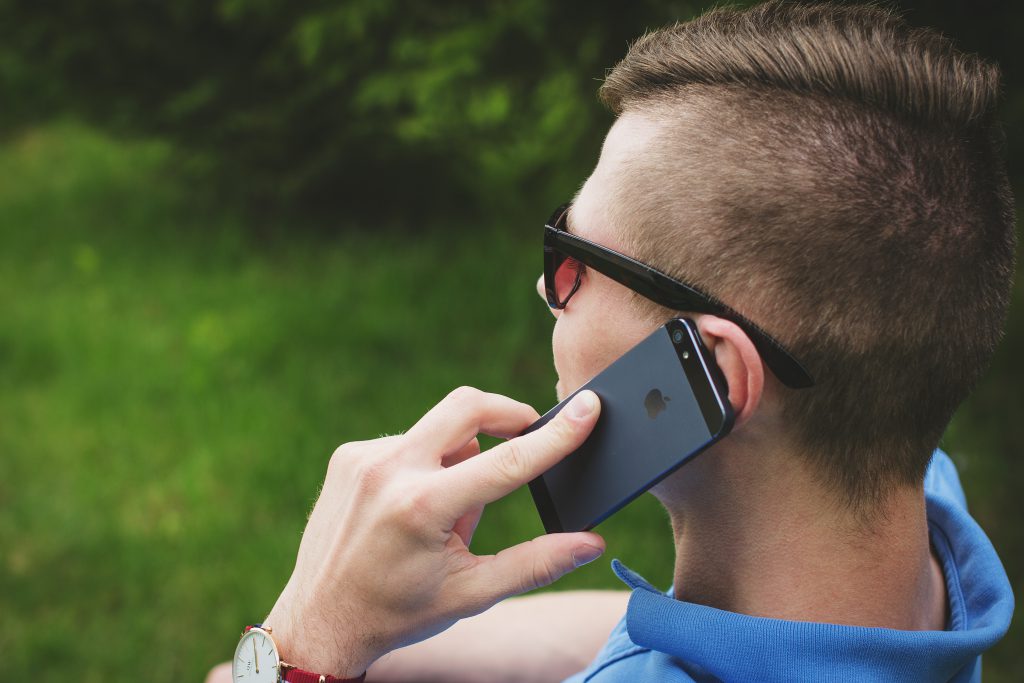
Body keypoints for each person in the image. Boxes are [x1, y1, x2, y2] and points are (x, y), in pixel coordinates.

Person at [208, 2, 1015, 681]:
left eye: (573, 261)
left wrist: (303, 640)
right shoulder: (922, 521)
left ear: (717, 373)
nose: (542, 287)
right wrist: (391, 647)